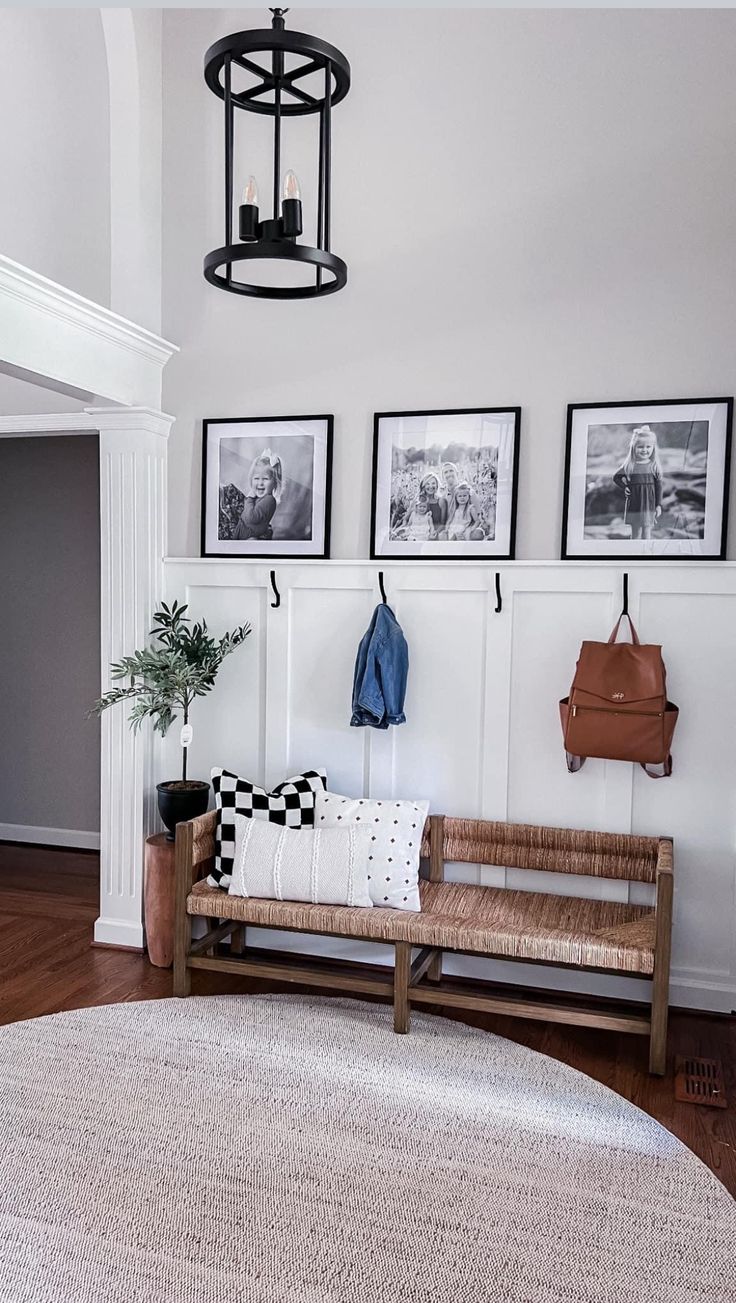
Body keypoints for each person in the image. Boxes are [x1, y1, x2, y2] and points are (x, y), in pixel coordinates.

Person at [612, 426, 663, 541]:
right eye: (640, 447)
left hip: (648, 504)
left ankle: (646, 555)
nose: (644, 450)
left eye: (648, 447)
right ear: (634, 448)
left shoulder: (653, 466)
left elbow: (658, 487)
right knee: (636, 532)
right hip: (634, 504)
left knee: (647, 532)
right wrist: (625, 487)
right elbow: (616, 477)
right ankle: (634, 553)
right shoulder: (630, 465)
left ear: (653, 448)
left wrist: (658, 505)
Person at [234, 449, 283, 541]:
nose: (260, 483)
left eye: (265, 479)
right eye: (256, 478)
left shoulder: (269, 500)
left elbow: (250, 518)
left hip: (250, 539)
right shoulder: (259, 498)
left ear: (275, 483)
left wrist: (249, 498)